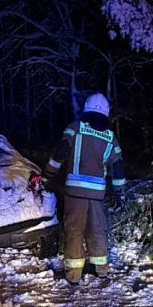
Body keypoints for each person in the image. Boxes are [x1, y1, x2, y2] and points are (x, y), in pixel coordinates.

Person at [45, 93, 125, 284]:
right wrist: (120, 192)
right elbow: (118, 167)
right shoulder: (110, 137)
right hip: (98, 194)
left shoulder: (74, 129)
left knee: (74, 231)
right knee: (98, 230)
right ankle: (102, 270)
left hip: (75, 192)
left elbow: (60, 152)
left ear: (86, 108)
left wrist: (48, 174)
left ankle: (74, 275)